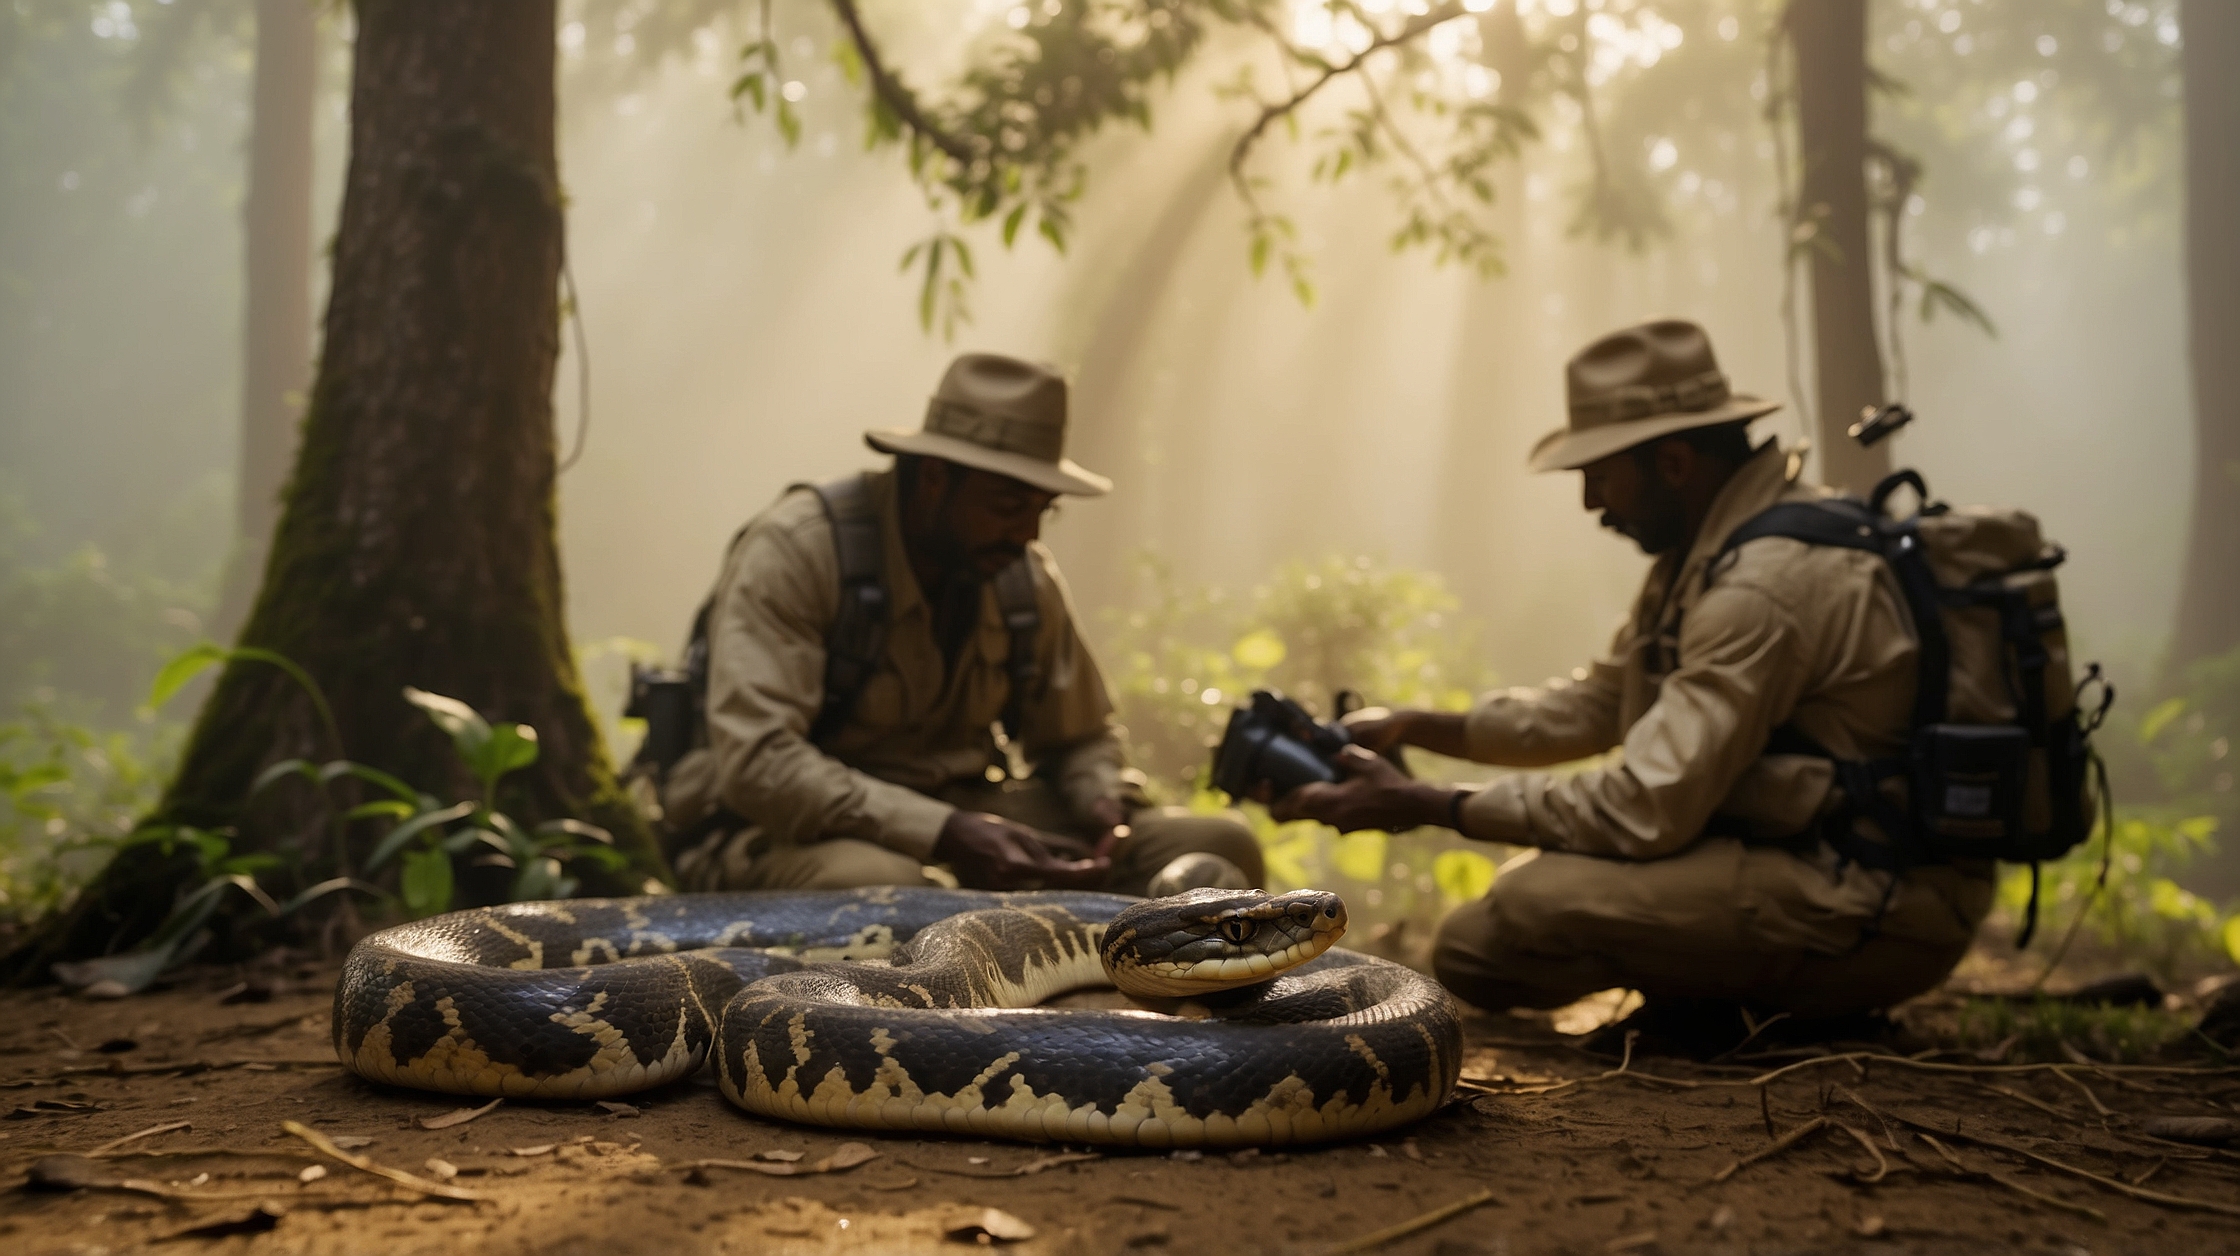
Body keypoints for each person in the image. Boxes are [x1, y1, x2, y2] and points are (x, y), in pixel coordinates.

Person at [1273, 320, 1993, 1037]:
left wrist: (1425, 801)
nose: (1592, 502)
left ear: (1674, 463)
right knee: (1474, 947)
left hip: (1875, 901)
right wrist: (1419, 726)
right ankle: (1721, 1001)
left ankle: (1764, 1012)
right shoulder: (1707, 556)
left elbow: (1648, 805)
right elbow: (1599, 703)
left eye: (1600, 474)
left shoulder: (1762, 585)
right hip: (1809, 865)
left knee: (1515, 919)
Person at [660, 352, 1263, 896]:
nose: (1027, 534)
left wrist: (1103, 805)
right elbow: (759, 763)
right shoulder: (798, 551)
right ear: (932, 479)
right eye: (1006, 507)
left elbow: (1079, 737)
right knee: (885, 890)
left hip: (969, 812)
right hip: (784, 829)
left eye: (1041, 510)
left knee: (1217, 847)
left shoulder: (1021, 574)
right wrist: (944, 833)